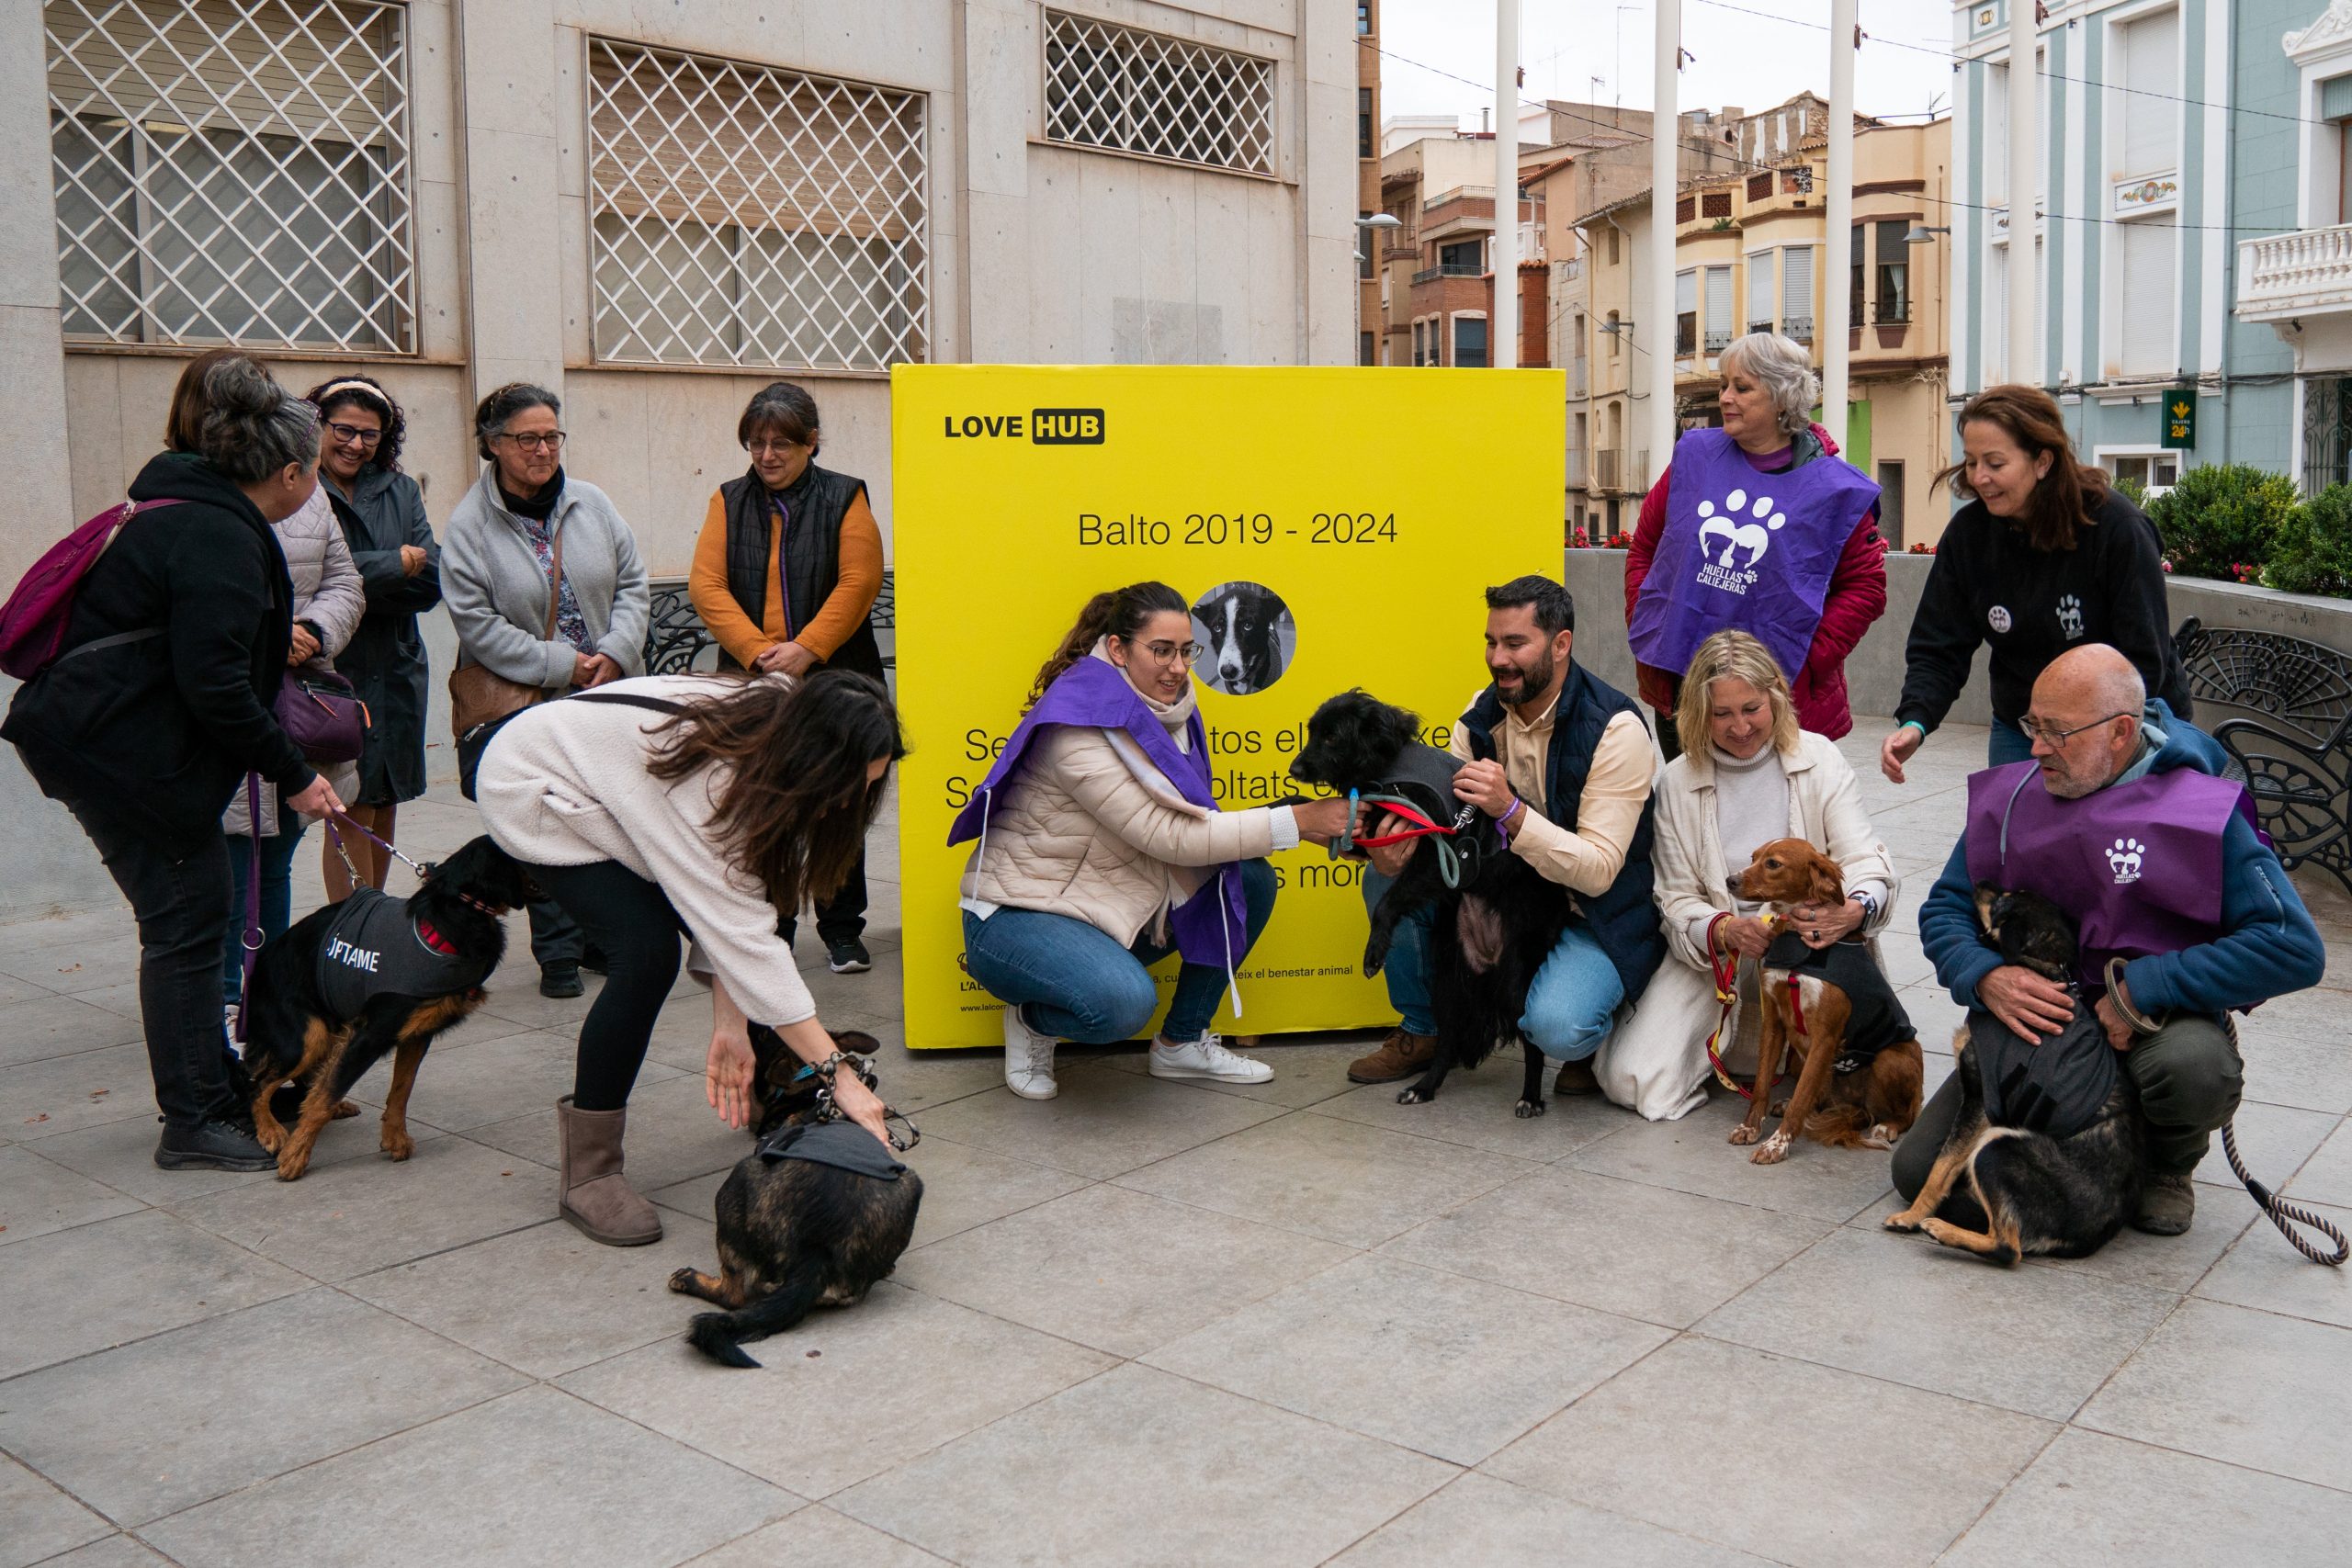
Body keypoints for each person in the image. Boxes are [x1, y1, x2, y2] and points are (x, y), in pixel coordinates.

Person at [3, 356, 343, 1172]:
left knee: (197, 917)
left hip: (117, 748)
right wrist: (295, 773)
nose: (317, 485)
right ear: (290, 471)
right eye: (318, 469)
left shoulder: (188, 510)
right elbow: (219, 684)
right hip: (121, 760)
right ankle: (192, 1118)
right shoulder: (216, 532)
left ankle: (214, 1086)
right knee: (188, 926)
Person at [1901, 643, 2324, 1235]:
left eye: (2057, 732)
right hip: (2044, 1020)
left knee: (2194, 1067)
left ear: (2122, 731)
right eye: (2032, 725)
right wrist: (1983, 973)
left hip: (2154, 1019)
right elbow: (1947, 905)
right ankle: (2071, 1151)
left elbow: (2292, 947)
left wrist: (2144, 987)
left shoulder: (2203, 812)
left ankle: (2166, 1168)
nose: (2036, 747)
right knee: (1918, 1174)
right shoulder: (2015, 795)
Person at [475, 669, 900, 1246]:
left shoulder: (776, 736)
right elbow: (736, 932)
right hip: (538, 785)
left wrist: (732, 1027)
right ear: (810, 757)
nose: (849, 803)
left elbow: (743, 904)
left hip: (614, 780)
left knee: (730, 920)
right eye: (846, 785)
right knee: (645, 955)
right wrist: (842, 1077)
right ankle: (590, 1172)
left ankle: (766, 1085)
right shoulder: (713, 782)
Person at [950, 581, 1352, 1100]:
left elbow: (1194, 823)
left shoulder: (1167, 707)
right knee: (1119, 1006)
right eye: (1161, 651)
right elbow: (1168, 834)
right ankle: (1033, 1021)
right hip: (1020, 916)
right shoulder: (1077, 723)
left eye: (1187, 651)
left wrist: (1303, 821)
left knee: (1247, 877)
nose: (1179, 668)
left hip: (1105, 904)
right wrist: (1298, 821)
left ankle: (1181, 1044)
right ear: (1118, 649)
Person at [1346, 575, 1666, 1091]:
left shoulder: (1616, 728)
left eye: (1516, 643)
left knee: (1560, 1028)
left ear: (1561, 645)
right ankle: (1424, 1029)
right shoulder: (1481, 711)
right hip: (1508, 894)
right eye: (1492, 642)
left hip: (1589, 912)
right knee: (1388, 878)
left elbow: (1601, 873)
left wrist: (1512, 811)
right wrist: (1388, 845)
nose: (1498, 658)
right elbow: (1448, 819)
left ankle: (1602, 1034)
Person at [1592, 629, 1898, 1120]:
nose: (1740, 727)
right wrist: (1726, 929)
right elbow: (1674, 896)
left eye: (1751, 708)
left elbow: (1863, 858)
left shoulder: (1820, 758)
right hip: (1722, 956)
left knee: (1846, 1074)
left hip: (1815, 946)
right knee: (1630, 1080)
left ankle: (1781, 1056)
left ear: (1776, 693)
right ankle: (1736, 1054)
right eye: (1722, 714)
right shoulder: (1676, 780)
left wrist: (1853, 910)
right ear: (1697, 713)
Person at [444, 382, 650, 998]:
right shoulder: (468, 526)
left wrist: (614, 652)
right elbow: (477, 626)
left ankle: (600, 935)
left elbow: (634, 586)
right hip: (526, 703)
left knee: (608, 815)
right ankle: (558, 953)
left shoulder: (592, 504)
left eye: (552, 436)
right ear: (493, 444)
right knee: (546, 820)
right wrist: (566, 664)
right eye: (527, 438)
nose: (543, 449)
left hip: (605, 694)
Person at [1881, 385, 2190, 782]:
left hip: (2119, 725)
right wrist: (1916, 721)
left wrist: (2090, 739)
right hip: (2022, 726)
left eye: (1995, 463)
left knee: (2104, 841)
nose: (1979, 478)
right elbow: (1939, 645)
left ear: (2043, 461)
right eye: (1972, 462)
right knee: (2016, 834)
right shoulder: (1969, 535)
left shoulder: (2118, 529)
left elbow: (2143, 658)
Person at [687, 380, 887, 976]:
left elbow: (859, 582)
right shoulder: (728, 500)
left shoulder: (846, 498)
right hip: (754, 682)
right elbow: (706, 585)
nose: (767, 455)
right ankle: (771, 925)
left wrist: (807, 649)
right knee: (763, 807)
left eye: (781, 443)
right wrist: (756, 652)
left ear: (812, 442)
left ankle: (842, 929)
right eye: (756, 442)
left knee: (838, 804)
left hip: (835, 679)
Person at [1624, 333, 1887, 759]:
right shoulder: (1694, 458)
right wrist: (1648, 616)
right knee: (1689, 817)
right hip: (1684, 686)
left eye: (1742, 388)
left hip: (1779, 701)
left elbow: (1866, 588)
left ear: (1783, 398)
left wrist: (1806, 655)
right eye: (1724, 385)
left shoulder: (1834, 490)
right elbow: (1645, 549)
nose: (1726, 397)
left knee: (1770, 825)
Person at [220, 479, 364, 1011]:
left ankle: (264, 990)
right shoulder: (205, 499)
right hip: (228, 700)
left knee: (274, 860)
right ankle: (225, 1001)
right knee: (231, 867)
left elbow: (347, 583)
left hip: (296, 709)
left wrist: (312, 631)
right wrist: (270, 638)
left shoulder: (309, 490)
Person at [308, 375, 440, 899]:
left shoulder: (400, 490)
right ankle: (350, 929)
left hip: (397, 665)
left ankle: (376, 920)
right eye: (343, 429)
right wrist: (392, 565)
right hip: (336, 669)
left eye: (370, 435)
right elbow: (309, 577)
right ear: (316, 426)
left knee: (385, 800)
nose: (356, 444)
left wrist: (367, 580)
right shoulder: (298, 487)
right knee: (348, 804)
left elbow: (430, 581)